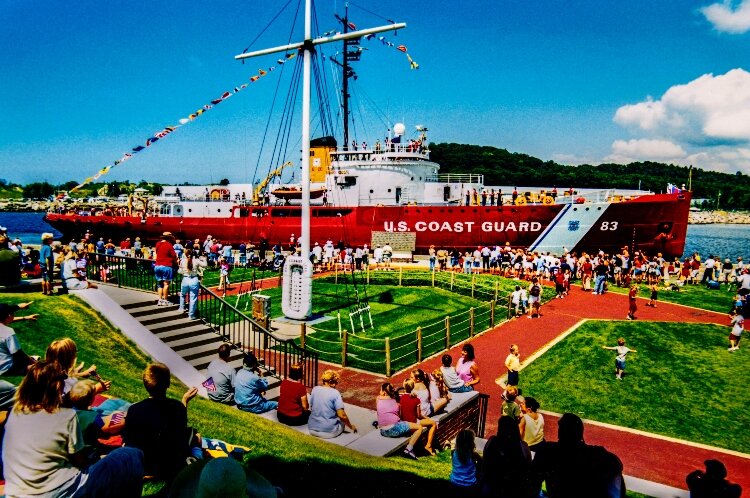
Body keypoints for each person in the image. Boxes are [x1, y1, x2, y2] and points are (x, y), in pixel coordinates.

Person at [3, 361, 145, 498]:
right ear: (57, 388)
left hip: (19, 490)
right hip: (63, 490)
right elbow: (81, 462)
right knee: (131, 454)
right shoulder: (67, 418)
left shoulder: (14, 413)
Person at [124, 363, 199, 481]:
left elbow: (128, 439)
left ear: (145, 384)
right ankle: (196, 459)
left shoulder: (134, 409)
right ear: (168, 384)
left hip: (142, 464)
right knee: (195, 436)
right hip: (168, 466)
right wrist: (184, 400)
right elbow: (179, 435)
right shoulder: (177, 407)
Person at [532, 413, 625, 498]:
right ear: (580, 433)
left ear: (560, 432)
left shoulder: (547, 451)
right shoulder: (596, 454)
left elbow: (532, 484)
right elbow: (617, 464)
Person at [480, 416, 534, 497]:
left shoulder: (492, 441)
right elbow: (528, 465)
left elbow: (485, 459)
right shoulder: (522, 446)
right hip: (512, 487)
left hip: (493, 485)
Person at [46, 337, 111, 395]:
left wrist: (78, 374)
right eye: (75, 352)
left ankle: (79, 374)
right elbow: (73, 401)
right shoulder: (66, 383)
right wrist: (96, 389)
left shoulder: (43, 372)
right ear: (70, 358)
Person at [376, 382, 424, 460]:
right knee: (419, 428)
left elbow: (379, 413)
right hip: (395, 429)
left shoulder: (378, 399)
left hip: (383, 431)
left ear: (384, 392)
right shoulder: (397, 402)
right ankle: (409, 449)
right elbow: (400, 416)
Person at [308, 370, 357, 439]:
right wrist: (351, 426)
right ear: (331, 383)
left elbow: (312, 406)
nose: (336, 384)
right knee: (342, 423)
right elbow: (342, 415)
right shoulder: (335, 393)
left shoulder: (315, 389)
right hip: (329, 432)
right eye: (336, 382)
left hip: (312, 428)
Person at [0, 303, 37, 376]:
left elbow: (7, 320)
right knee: (39, 369)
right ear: (9, 316)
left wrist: (26, 317)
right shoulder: (8, 331)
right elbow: (18, 354)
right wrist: (34, 363)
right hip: (5, 368)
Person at [277, 362, 310, 426]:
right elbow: (305, 407)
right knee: (309, 413)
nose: (303, 373)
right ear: (299, 374)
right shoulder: (301, 387)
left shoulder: (283, 382)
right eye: (302, 372)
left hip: (280, 415)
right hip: (293, 418)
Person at [178, 248, 207, 320]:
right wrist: (204, 259)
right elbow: (205, 265)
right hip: (194, 279)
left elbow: (180, 271)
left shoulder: (183, 260)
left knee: (182, 294)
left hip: (185, 278)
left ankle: (181, 308)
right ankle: (191, 315)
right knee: (193, 298)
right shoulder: (196, 261)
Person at [154, 231, 178, 306]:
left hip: (157, 265)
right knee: (166, 284)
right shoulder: (169, 245)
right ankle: (165, 300)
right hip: (166, 266)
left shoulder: (158, 244)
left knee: (160, 284)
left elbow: (157, 253)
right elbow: (174, 256)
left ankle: (160, 300)